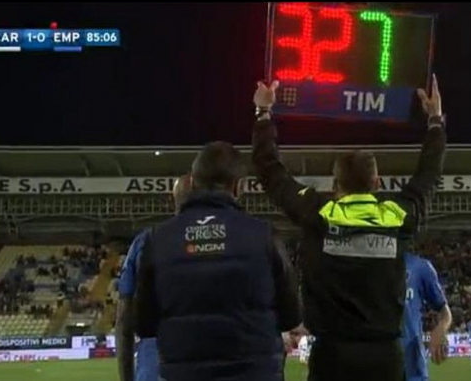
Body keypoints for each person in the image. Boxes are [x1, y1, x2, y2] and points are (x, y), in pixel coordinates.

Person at [252, 76, 446, 381]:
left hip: (331, 356)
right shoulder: (396, 215)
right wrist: (435, 120)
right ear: (376, 184)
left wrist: (264, 114)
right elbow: (428, 177)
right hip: (384, 357)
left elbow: (270, 172)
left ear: (334, 186)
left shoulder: (318, 211)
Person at [135, 142, 301, 381]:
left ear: (192, 183)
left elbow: (143, 324)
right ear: (238, 187)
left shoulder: (157, 240)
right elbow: (291, 316)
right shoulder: (265, 236)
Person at [116, 175, 192, 381]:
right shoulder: (230, 242)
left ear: (173, 199)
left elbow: (124, 319)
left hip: (154, 364)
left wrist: (126, 377)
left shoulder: (145, 242)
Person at [402, 252, 452, 381]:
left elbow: (445, 313)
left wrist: (440, 331)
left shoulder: (419, 267)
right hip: (379, 363)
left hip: (413, 368)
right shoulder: (368, 267)